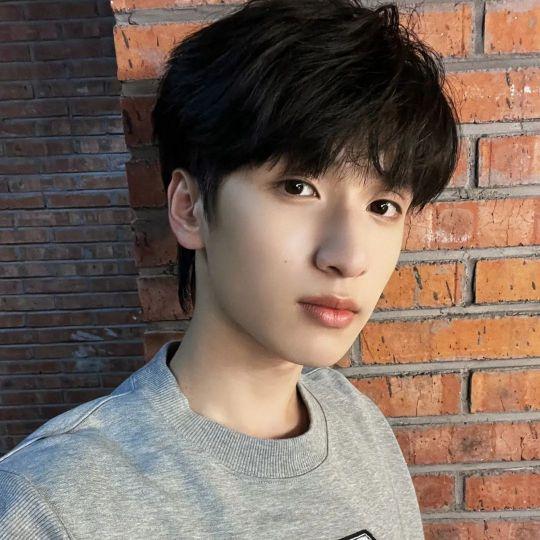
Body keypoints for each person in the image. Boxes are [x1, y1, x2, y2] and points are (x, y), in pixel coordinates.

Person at [0, 0, 460, 538]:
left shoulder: (359, 423)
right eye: (297, 187)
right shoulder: (53, 503)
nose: (349, 258)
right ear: (189, 209)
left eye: (383, 206)